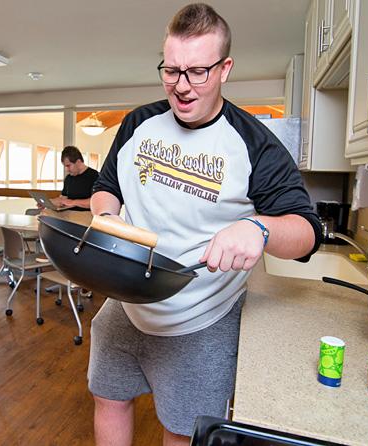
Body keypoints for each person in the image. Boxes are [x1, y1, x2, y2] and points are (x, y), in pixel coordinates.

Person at [87, 4, 322, 445]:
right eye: (172, 70)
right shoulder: (139, 123)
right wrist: (106, 215)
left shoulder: (254, 144)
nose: (182, 86)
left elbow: (306, 231)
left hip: (201, 316)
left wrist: (259, 228)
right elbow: (107, 185)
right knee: (109, 399)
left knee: (181, 430)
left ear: (225, 68)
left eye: (197, 71)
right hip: (126, 301)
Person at [39, 145, 99, 226]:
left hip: (86, 214)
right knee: (45, 213)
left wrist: (73, 202)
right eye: (65, 166)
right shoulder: (68, 178)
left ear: (78, 162)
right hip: (68, 213)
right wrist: (48, 203)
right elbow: (63, 199)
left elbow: (96, 202)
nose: (66, 170)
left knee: (71, 223)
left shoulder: (94, 176)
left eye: (68, 165)